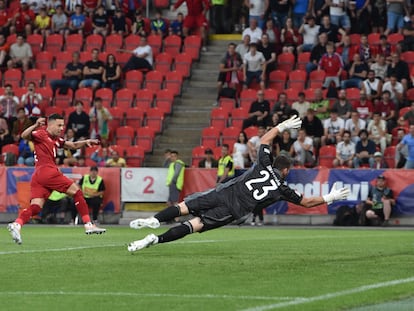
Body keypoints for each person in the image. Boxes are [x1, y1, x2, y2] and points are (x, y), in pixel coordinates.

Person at [126, 116, 350, 252]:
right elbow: (308, 202)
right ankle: (155, 239)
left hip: (223, 193)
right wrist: (330, 197)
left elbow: (264, 140)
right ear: (286, 171)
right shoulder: (283, 188)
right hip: (233, 209)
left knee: (184, 206)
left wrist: (282, 126)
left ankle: (154, 220)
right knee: (195, 225)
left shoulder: (263, 162)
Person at [7, 114, 106, 245]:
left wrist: (86, 142)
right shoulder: (41, 134)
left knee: (36, 207)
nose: (62, 128)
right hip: (48, 171)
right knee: (77, 192)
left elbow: (73, 145)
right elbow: (24, 136)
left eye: (62, 125)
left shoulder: (55, 139)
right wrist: (36, 125)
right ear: (50, 124)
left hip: (38, 176)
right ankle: (88, 224)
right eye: (59, 125)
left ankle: (17, 224)